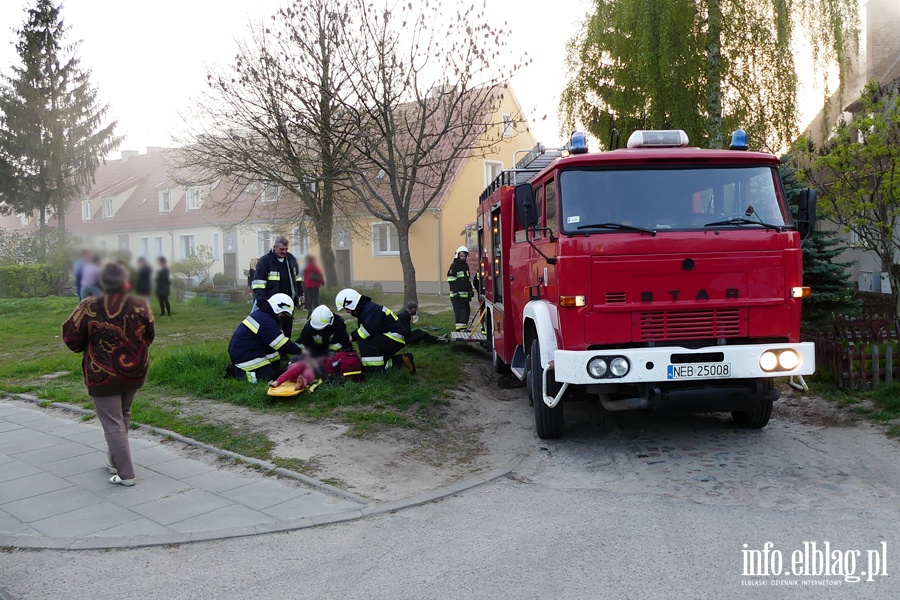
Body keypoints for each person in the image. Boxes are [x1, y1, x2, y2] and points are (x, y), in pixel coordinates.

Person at [62, 262, 155, 487]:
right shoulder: (140, 304)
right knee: (122, 413)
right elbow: (149, 335)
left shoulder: (89, 306)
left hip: (102, 374)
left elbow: (71, 338)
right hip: (134, 370)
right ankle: (115, 461)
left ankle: (126, 474)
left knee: (113, 421)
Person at [227, 293, 303, 383]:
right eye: (283, 313)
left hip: (252, 350)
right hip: (244, 355)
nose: (283, 316)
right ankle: (237, 373)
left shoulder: (265, 316)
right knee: (267, 378)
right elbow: (281, 344)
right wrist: (303, 352)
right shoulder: (265, 320)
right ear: (277, 307)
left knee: (277, 371)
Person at [336, 288, 415, 374]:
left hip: (393, 337)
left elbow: (368, 330)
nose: (347, 311)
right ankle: (402, 359)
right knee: (376, 362)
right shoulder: (367, 308)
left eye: (346, 308)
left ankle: (374, 370)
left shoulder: (370, 309)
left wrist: (352, 337)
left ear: (351, 303)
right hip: (391, 337)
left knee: (364, 341)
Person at [251, 236, 303, 338]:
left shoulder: (291, 260)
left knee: (287, 329)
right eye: (281, 249)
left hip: (289, 302)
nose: (284, 252)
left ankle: (285, 352)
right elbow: (258, 284)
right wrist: (262, 302)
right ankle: (274, 351)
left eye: (286, 249)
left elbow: (297, 279)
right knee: (273, 330)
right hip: (271, 303)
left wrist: (301, 294)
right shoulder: (265, 261)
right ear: (274, 247)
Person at [447, 245, 473, 331]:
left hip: (465, 296)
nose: (463, 256)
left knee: (467, 311)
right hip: (457, 295)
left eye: (465, 255)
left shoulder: (465, 266)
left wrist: (470, 290)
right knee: (460, 312)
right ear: (457, 255)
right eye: (461, 255)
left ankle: (463, 328)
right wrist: (455, 292)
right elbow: (451, 280)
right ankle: (460, 329)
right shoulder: (454, 266)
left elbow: (467, 280)